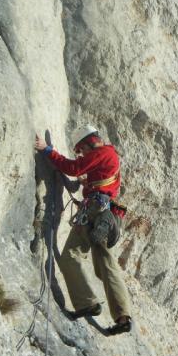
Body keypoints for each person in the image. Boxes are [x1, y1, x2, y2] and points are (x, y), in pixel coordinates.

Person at [34, 125, 132, 335]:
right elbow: (95, 180)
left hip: (95, 212)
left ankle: (87, 303)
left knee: (70, 255)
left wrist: (47, 150)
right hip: (106, 214)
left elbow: (73, 168)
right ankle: (123, 317)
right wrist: (86, 184)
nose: (81, 154)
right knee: (105, 264)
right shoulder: (109, 155)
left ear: (88, 143)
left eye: (80, 150)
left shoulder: (102, 152)